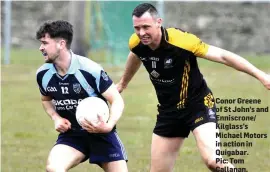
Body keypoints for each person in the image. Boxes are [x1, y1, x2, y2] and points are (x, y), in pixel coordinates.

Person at [116, 3, 270, 172]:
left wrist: (260, 75)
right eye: (137, 28)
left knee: (213, 161)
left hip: (198, 105)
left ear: (158, 22)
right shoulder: (136, 42)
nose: (141, 33)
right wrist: (123, 83)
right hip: (169, 112)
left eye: (146, 27)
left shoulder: (181, 41)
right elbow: (135, 55)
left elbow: (223, 56)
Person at [35, 20, 128, 172]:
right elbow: (46, 100)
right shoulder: (43, 74)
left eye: (45, 43)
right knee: (54, 168)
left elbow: (116, 100)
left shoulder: (89, 70)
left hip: (102, 134)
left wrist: (109, 125)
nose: (41, 48)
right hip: (72, 136)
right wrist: (56, 118)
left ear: (61, 44)